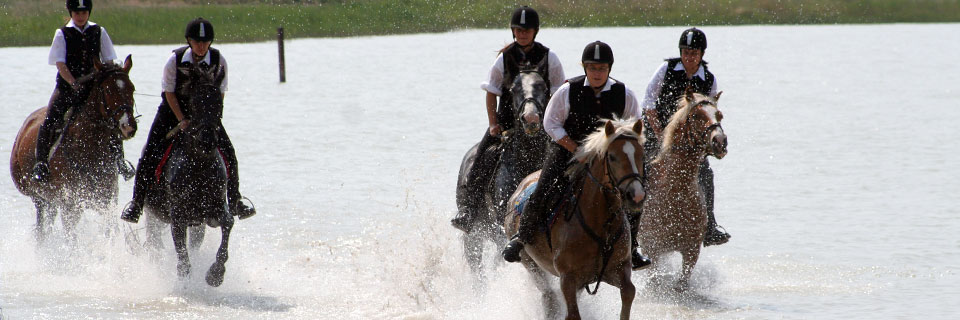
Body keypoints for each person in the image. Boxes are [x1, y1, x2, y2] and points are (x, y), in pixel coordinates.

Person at [501, 41, 651, 269]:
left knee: (637, 187)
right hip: (568, 151)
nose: (597, 73)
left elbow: (634, 127)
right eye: (592, 68)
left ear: (609, 68)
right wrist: (576, 149)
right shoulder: (568, 90)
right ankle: (521, 237)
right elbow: (550, 124)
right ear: (584, 68)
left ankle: (633, 247)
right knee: (544, 187)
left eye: (601, 68)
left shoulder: (624, 93)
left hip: (608, 157)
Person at [120, 17, 255, 223]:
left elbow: (219, 95)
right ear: (189, 41)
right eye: (197, 42)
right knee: (150, 151)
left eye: (205, 42)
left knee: (229, 152)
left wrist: (211, 119)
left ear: (210, 42)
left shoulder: (219, 61)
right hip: (172, 111)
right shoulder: (174, 60)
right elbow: (169, 93)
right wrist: (182, 119)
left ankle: (236, 200)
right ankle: (137, 203)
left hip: (204, 114)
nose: (201, 46)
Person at [451, 6, 565, 233]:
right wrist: (493, 124)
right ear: (513, 31)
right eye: (518, 30)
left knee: (566, 159)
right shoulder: (504, 59)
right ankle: (468, 210)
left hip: (542, 125)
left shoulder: (549, 57)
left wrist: (556, 124)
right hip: (506, 124)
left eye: (527, 30)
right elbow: (491, 92)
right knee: (482, 157)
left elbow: (560, 93)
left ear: (535, 31)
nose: (522, 33)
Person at [640, 27, 730, 246]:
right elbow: (649, 103)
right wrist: (662, 135)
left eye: (694, 53)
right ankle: (631, 219)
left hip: (690, 142)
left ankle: (709, 228)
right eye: (686, 52)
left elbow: (709, 114)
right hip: (657, 133)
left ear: (702, 54)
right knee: (641, 168)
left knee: (706, 175)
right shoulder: (665, 69)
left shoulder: (709, 79)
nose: (690, 57)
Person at [32, 0, 135, 182]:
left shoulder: (98, 31)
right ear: (71, 13)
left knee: (112, 119)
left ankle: (119, 161)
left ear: (89, 13)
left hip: (93, 89)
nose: (81, 17)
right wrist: (72, 83)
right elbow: (60, 64)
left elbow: (109, 60)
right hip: (67, 87)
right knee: (51, 118)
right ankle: (41, 163)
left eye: (84, 13)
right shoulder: (62, 33)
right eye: (77, 13)